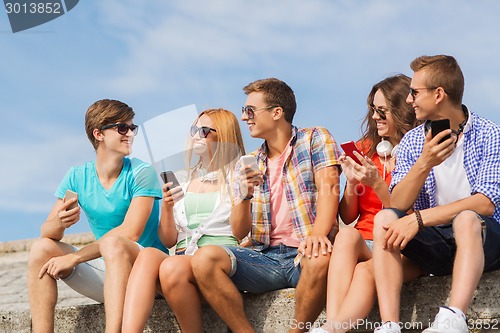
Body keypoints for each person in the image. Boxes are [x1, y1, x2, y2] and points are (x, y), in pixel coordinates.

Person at [191, 78, 341, 333]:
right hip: (266, 257)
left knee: (320, 258)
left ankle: (297, 331)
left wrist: (318, 234)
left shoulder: (315, 138)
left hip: (304, 252)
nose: (244, 117)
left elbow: (329, 188)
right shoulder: (251, 162)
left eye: (250, 111)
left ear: (277, 113)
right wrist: (245, 195)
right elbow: (239, 233)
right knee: (203, 260)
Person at [372, 55, 500, 333]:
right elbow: (397, 204)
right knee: (384, 219)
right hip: (438, 244)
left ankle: (454, 318)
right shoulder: (413, 141)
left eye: (415, 93)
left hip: (484, 241)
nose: (409, 100)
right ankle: (390, 326)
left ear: (439, 94)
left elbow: (486, 203)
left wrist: (419, 219)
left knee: (467, 218)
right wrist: (425, 162)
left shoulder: (489, 133)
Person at [27, 99, 166, 333]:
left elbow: (131, 233)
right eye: (122, 128)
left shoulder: (142, 173)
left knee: (115, 244)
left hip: (147, 274)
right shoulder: (77, 177)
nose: (130, 134)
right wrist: (59, 223)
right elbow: (46, 231)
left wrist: (76, 257)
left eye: (133, 128)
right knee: (41, 248)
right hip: (110, 271)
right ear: (99, 134)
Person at [121, 108, 246, 332]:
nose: (196, 135)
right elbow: (168, 240)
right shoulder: (183, 180)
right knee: (149, 254)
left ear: (224, 136)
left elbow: (242, 231)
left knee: (171, 266)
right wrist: (167, 207)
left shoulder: (239, 178)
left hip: (217, 263)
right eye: (194, 129)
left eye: (205, 130)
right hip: (180, 262)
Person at [311, 74, 417, 333]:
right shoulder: (364, 149)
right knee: (346, 236)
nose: (375, 117)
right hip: (365, 240)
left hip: (401, 244)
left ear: (402, 110)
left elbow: (410, 214)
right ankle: (332, 324)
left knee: (363, 271)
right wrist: (351, 183)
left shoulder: (417, 152)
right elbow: (348, 216)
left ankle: (331, 328)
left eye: (382, 111)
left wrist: (379, 186)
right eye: (373, 110)